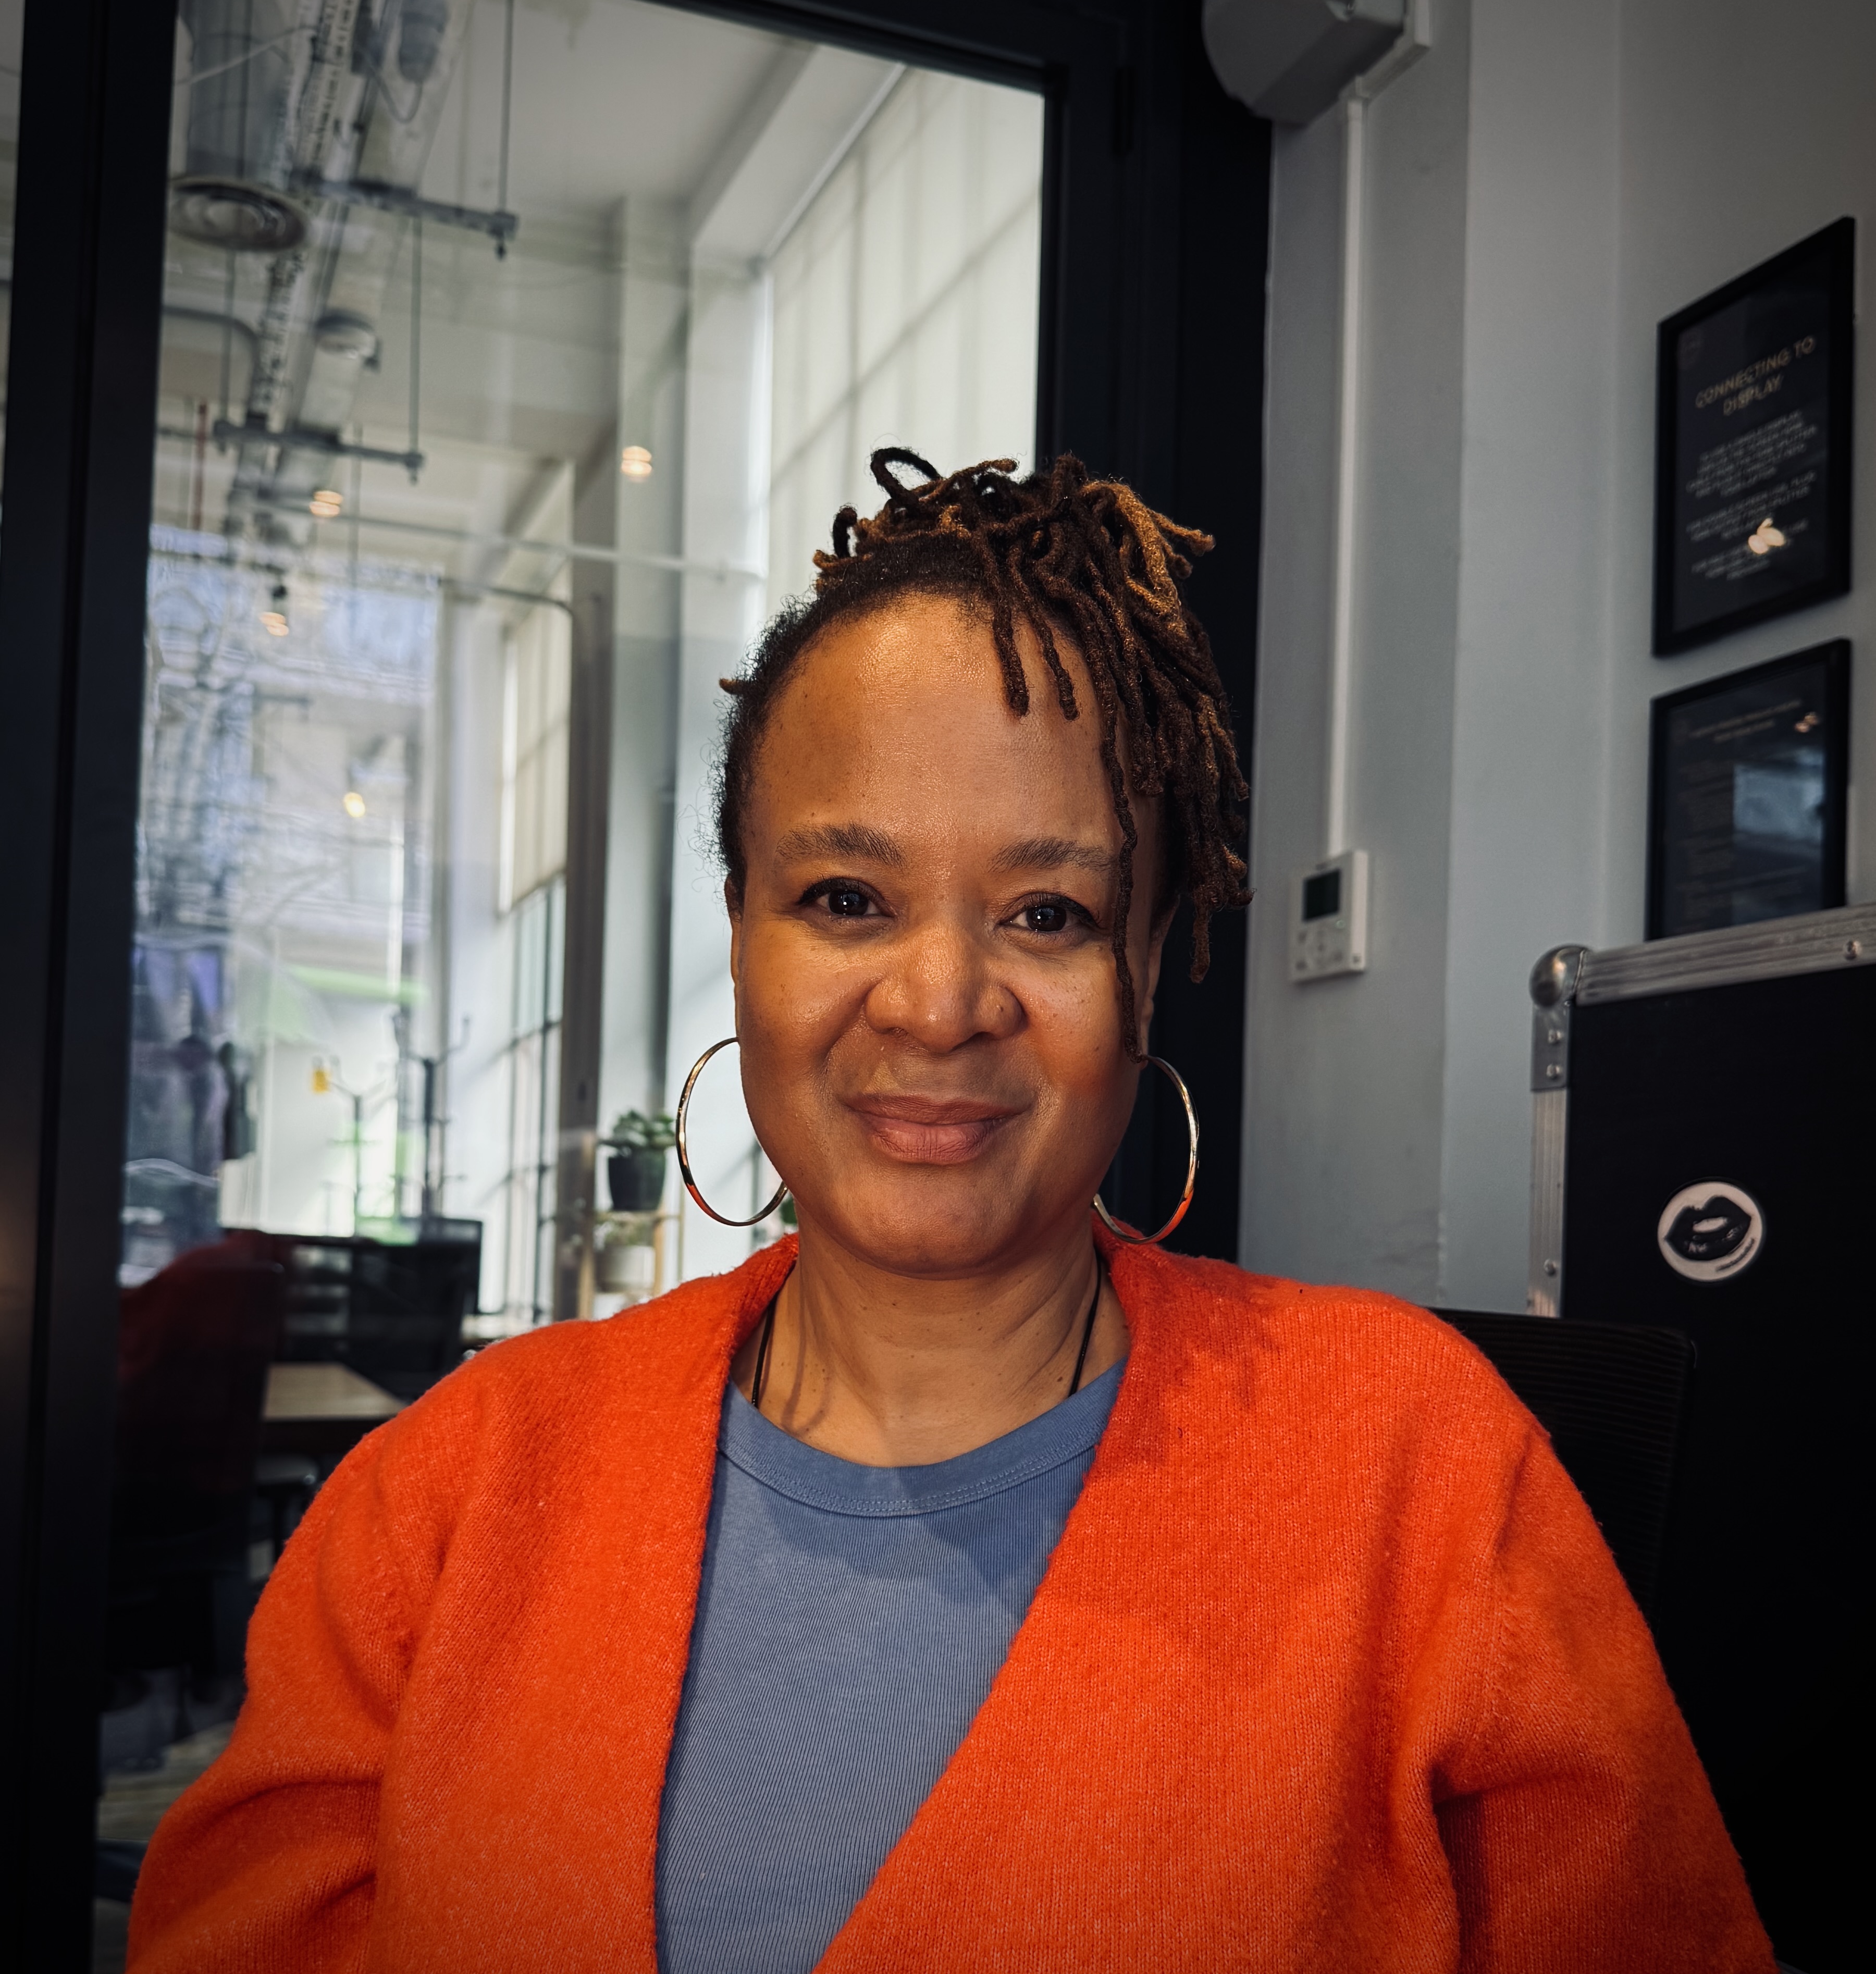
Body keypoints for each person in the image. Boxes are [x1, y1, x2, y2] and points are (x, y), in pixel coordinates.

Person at [128, 453, 1774, 1972]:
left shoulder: (1424, 1472)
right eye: (846, 897)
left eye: (1047, 914)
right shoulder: (448, 1498)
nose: (937, 1003)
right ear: (742, 934)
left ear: (1147, 964)